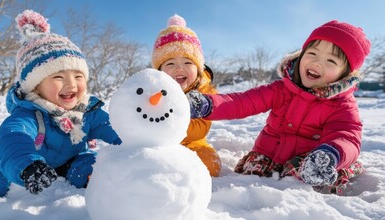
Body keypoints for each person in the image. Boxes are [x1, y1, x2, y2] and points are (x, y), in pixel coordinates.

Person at [187, 20, 370, 194]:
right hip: (268, 158)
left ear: (344, 74)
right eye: (312, 53)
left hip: (307, 164)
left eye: (331, 61)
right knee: (250, 179)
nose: (317, 63)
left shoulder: (342, 105)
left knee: (317, 183)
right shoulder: (281, 89)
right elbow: (242, 102)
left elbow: (347, 136)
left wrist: (330, 155)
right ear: (301, 55)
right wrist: (208, 104)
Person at [0, 9, 121, 199]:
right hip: (31, 161)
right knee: (4, 173)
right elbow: (13, 137)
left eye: (78, 76)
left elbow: (117, 130)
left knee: (92, 164)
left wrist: (141, 144)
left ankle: (91, 177)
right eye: (58, 77)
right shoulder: (29, 114)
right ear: (36, 86)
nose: (71, 84)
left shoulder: (87, 111)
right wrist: (28, 166)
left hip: (71, 159)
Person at [151, 14, 221, 177]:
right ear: (159, 71)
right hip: (159, 145)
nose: (179, 69)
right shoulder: (153, 90)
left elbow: (201, 128)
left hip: (193, 143)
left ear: (198, 68)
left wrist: (169, 126)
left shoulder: (205, 94)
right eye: (170, 63)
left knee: (210, 164)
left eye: (188, 62)